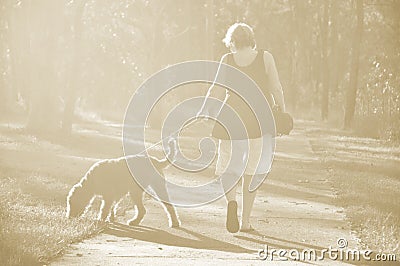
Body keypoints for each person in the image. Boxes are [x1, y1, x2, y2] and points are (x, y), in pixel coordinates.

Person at [197, 22, 286, 233]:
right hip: (258, 119)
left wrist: (204, 110)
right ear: (251, 39)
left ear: (232, 41)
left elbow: (216, 90)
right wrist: (282, 113)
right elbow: (276, 87)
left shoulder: (227, 59)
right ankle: (245, 222)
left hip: (231, 119)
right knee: (252, 170)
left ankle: (231, 203)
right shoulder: (265, 57)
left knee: (229, 165)